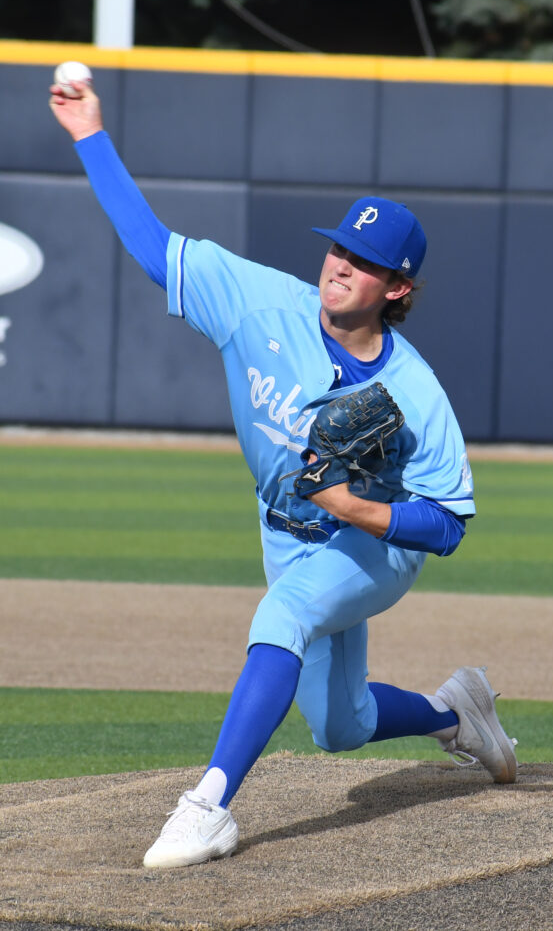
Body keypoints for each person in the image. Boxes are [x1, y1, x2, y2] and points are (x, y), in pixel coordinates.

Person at [49, 78, 517, 870]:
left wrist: (362, 512)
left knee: (283, 617)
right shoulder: (260, 303)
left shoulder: (414, 392)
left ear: (395, 288)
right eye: (339, 246)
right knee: (339, 725)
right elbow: (152, 243)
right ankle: (453, 714)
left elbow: (446, 523)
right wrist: (88, 133)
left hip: (371, 547)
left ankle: (207, 809)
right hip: (284, 532)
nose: (341, 265)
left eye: (365, 262)